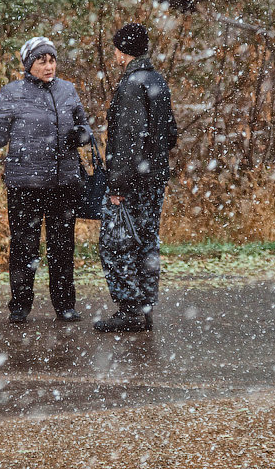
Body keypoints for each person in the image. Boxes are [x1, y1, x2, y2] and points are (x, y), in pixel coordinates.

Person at [0, 36, 92, 324]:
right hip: (25, 184)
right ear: (29, 64)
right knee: (23, 248)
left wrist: (79, 135)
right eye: (41, 60)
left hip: (63, 183)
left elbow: (85, 129)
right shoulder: (13, 92)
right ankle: (19, 307)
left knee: (62, 247)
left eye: (51, 59)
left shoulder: (68, 90)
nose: (48, 65)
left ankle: (65, 306)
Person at [94, 23, 177, 333]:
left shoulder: (130, 85)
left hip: (132, 181)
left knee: (115, 243)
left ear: (121, 52)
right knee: (146, 242)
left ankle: (130, 309)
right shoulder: (158, 81)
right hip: (154, 177)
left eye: (116, 49)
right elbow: (170, 134)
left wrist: (117, 185)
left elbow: (129, 139)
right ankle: (144, 308)